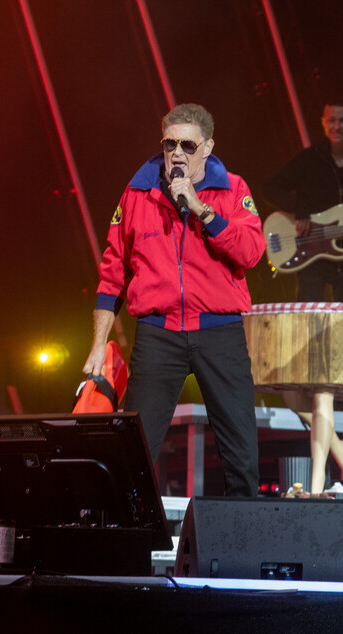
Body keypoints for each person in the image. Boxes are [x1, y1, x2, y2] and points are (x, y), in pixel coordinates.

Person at [83, 103, 266, 497]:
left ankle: (241, 551)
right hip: (158, 334)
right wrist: (98, 344)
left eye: (187, 144)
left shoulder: (233, 189)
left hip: (219, 333)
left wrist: (203, 210)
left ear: (208, 147)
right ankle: (125, 548)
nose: (177, 153)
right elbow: (113, 271)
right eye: (170, 144)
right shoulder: (137, 192)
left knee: (241, 456)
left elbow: (251, 251)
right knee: (133, 452)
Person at [264, 99, 343, 501]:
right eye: (332, 120)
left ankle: (342, 398)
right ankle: (315, 384)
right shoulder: (308, 160)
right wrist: (300, 214)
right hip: (311, 257)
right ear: (324, 124)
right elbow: (270, 187)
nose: (338, 126)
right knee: (309, 324)